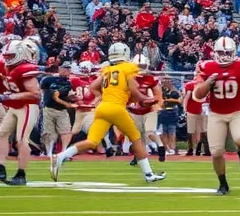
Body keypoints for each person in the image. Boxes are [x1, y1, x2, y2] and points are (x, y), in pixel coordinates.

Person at [50, 42, 165, 184]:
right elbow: (134, 90)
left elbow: (93, 87)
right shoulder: (129, 68)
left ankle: (60, 156)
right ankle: (148, 174)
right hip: (116, 108)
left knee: (92, 141)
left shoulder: (107, 70)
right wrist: (146, 99)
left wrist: (104, 97)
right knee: (136, 138)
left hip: (102, 108)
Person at [193, 36, 240, 194]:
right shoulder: (207, 67)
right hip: (216, 114)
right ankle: (223, 184)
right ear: (215, 52)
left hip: (237, 112)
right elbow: (198, 94)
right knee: (217, 151)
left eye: (228, 52)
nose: (224, 56)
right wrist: (207, 83)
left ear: (233, 52)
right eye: (221, 52)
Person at [0, 39, 43, 185]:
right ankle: (0, 168)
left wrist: (10, 96)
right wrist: (5, 97)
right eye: (6, 56)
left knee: (21, 139)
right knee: (0, 134)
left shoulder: (25, 68)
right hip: (14, 105)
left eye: (10, 56)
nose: (6, 58)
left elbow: (35, 94)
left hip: (27, 106)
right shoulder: (5, 64)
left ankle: (21, 174)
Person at [40, 61, 76, 159]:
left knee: (66, 131)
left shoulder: (68, 83)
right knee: (49, 132)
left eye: (68, 69)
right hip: (49, 108)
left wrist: (73, 98)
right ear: (59, 69)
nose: (66, 70)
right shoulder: (49, 79)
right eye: (64, 68)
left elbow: (65, 95)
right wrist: (68, 104)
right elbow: (54, 96)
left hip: (62, 110)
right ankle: (49, 152)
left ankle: (64, 152)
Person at [182, 77, 208, 156]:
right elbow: (186, 97)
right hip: (192, 110)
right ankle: (191, 148)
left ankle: (202, 148)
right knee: (191, 130)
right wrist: (185, 108)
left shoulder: (206, 86)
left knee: (203, 130)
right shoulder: (190, 86)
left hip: (203, 110)